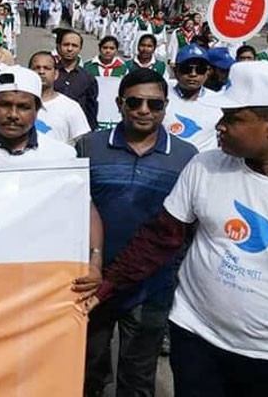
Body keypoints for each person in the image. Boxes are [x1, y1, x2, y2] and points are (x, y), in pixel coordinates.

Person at [83, 62, 268, 397]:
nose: (220, 126)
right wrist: (104, 290)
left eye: (233, 118)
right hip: (194, 335)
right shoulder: (205, 166)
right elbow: (158, 239)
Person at [77, 68, 198, 397]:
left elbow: (189, 225)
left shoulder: (187, 157)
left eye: (154, 104)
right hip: (92, 282)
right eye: (135, 102)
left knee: (138, 378)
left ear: (166, 107)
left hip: (152, 288)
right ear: (120, 104)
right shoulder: (88, 146)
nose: (144, 110)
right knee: (87, 371)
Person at [163, 44, 223, 153]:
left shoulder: (218, 101)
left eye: (200, 69)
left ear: (208, 72)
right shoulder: (162, 93)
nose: (193, 74)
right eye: (187, 69)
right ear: (175, 71)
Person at [29, 51, 90, 144]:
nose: (41, 72)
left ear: (56, 74)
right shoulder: (16, 104)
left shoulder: (71, 107)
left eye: (47, 68)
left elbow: (83, 144)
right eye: (36, 68)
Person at [54, 29, 99, 130]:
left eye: (74, 46)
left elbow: (91, 109)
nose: (70, 49)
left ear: (80, 49)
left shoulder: (88, 78)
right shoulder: (50, 74)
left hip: (77, 129)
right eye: (66, 45)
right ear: (59, 47)